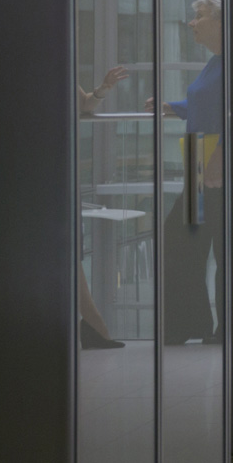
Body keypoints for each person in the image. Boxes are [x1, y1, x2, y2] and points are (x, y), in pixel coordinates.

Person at [148, 0, 225, 345]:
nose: (192, 23)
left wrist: (220, 155)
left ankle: (223, 329)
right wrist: (172, 107)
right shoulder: (215, 63)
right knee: (183, 243)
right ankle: (189, 324)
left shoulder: (232, 62)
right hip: (198, 160)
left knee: (221, 247)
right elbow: (202, 100)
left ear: (221, 22)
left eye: (200, 16)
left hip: (215, 163)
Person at [78, 66, 132, 349]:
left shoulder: (53, 69)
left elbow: (85, 105)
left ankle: (93, 324)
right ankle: (93, 325)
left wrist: (102, 89)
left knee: (68, 250)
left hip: (54, 164)